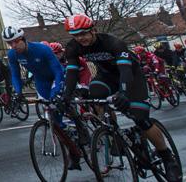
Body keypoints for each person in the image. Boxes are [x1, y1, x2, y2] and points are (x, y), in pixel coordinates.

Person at [61, 14, 179, 178]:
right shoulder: (73, 47)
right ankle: (112, 133)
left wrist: (123, 93)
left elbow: (125, 70)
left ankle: (168, 158)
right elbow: (72, 73)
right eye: (76, 35)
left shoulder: (112, 42)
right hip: (107, 76)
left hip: (131, 76)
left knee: (141, 119)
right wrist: (66, 96)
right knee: (95, 93)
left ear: (93, 30)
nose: (80, 38)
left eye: (83, 33)